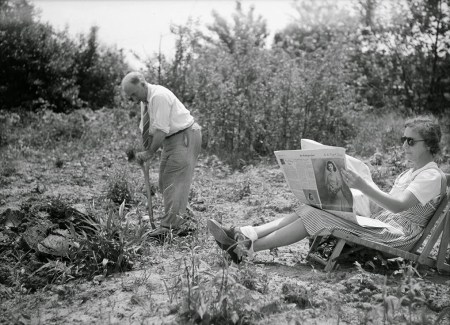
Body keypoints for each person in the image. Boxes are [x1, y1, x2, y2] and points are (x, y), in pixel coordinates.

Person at [208, 116, 447, 264]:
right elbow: (387, 203)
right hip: (384, 224)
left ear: (430, 146)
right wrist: (352, 194)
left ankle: (244, 247)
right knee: (315, 205)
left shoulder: (431, 175)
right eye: (403, 139)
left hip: (397, 235)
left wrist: (362, 186)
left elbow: (398, 206)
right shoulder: (410, 173)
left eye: (411, 141)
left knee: (318, 215)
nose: (404, 145)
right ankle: (246, 234)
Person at [121, 71, 202, 237]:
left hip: (184, 136)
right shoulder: (146, 100)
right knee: (165, 181)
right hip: (170, 140)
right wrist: (142, 149)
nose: (134, 99)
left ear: (142, 83)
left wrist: (150, 152)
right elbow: (147, 130)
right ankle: (182, 219)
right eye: (131, 97)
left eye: (134, 94)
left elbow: (161, 130)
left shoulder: (159, 96)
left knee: (174, 181)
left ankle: (170, 228)